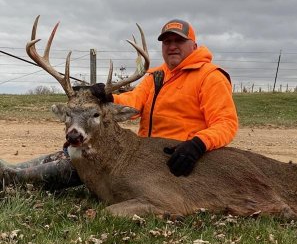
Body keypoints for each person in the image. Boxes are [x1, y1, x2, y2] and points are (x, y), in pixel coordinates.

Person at [0, 19, 238, 188]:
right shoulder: (156, 75)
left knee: (86, 163)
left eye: (179, 40)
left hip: (179, 157)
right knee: (80, 151)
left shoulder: (210, 76)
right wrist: (108, 97)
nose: (172, 46)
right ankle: (14, 168)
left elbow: (226, 124)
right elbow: (134, 104)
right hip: (146, 151)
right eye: (167, 42)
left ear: (193, 46)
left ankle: (13, 178)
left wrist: (196, 145)